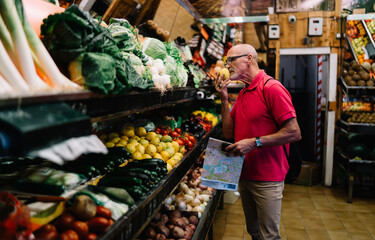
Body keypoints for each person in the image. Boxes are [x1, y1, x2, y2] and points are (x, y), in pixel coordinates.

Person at [215, 44, 301, 240]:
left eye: (231, 60)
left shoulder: (272, 88)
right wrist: (224, 98)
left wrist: (254, 143)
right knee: (254, 233)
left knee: (268, 236)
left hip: (268, 179)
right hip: (245, 174)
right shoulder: (244, 93)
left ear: (248, 59)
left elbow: (294, 132)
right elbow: (229, 131)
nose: (227, 65)